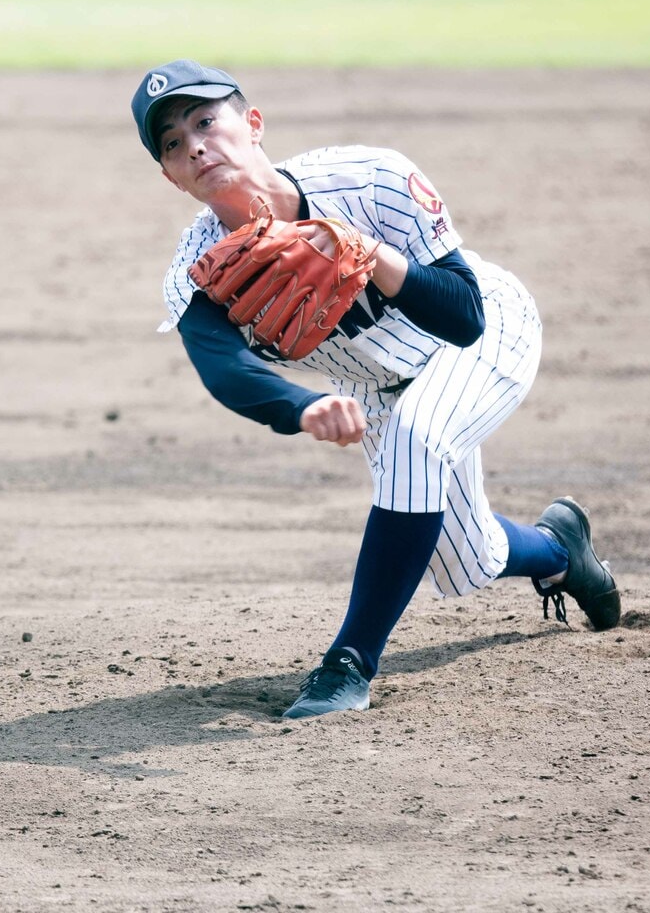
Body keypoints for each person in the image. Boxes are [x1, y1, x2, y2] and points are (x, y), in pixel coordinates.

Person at [131, 60, 621, 719]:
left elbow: (463, 313)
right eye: (172, 143)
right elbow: (223, 369)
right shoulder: (199, 272)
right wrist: (305, 407)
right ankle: (562, 551)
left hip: (483, 335)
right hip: (374, 385)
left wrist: (370, 255)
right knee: (467, 561)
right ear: (171, 177)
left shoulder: (369, 179)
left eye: (204, 121)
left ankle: (348, 664)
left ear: (251, 125)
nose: (193, 144)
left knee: (420, 442)